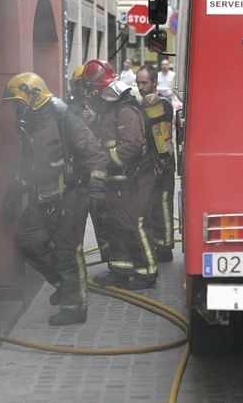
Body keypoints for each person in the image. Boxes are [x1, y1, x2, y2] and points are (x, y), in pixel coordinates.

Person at [2, 72, 107, 325]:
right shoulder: (29, 128)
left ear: (33, 98)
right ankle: (62, 284)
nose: (16, 110)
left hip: (71, 197)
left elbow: (96, 155)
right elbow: (30, 166)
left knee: (68, 252)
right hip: (43, 199)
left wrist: (97, 187)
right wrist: (17, 190)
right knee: (26, 241)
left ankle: (75, 307)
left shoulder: (65, 121)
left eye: (19, 103)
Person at [82, 60, 159, 290]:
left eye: (94, 89)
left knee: (135, 224)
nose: (92, 94)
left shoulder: (125, 109)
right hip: (119, 179)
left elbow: (130, 147)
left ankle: (147, 273)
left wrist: (102, 159)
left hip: (134, 179)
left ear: (102, 88)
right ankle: (121, 270)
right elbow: (108, 131)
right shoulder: (110, 108)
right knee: (117, 224)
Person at [66, 64, 111, 263]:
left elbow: (108, 127)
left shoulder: (100, 103)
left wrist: (95, 118)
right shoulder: (71, 107)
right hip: (80, 173)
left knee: (104, 220)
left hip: (98, 169)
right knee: (79, 224)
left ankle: (110, 258)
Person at [136, 65, 176, 262]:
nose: (140, 86)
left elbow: (164, 136)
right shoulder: (140, 104)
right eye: (138, 82)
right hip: (148, 164)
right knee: (151, 205)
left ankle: (166, 247)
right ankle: (155, 243)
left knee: (163, 205)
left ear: (154, 83)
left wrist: (162, 162)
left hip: (163, 163)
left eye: (144, 83)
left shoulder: (162, 104)